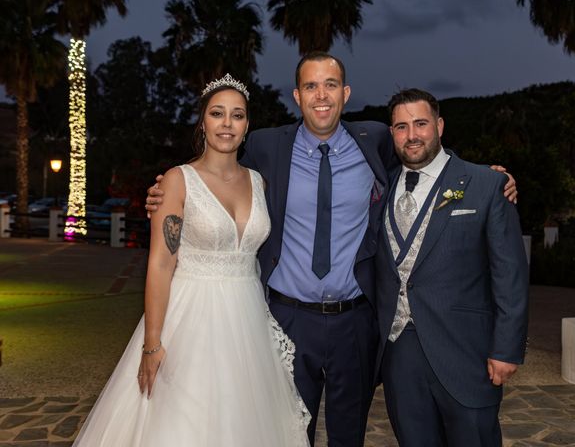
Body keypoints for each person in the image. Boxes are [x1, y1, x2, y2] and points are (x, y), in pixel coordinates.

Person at [146, 52, 518, 446]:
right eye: (311, 86)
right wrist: (168, 188)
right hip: (286, 318)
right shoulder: (267, 145)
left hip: (353, 323)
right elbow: (216, 167)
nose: (321, 95)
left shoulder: (374, 140)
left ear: (346, 93)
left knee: (348, 435)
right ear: (297, 95)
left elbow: (423, 153)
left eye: (330, 85)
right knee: (286, 431)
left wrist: (486, 177)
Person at [73, 75, 310, 447]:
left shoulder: (259, 182)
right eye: (217, 114)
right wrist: (152, 342)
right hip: (191, 318)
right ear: (203, 122)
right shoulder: (176, 181)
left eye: (237, 115)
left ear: (247, 126)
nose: (227, 124)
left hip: (248, 321)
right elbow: (160, 265)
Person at [375, 88, 529, 447]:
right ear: (392, 133)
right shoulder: (379, 186)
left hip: (466, 352)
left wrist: (506, 348)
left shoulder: (487, 184)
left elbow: (510, 274)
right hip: (400, 352)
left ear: (440, 126)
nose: (412, 135)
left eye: (421, 123)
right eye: (401, 126)